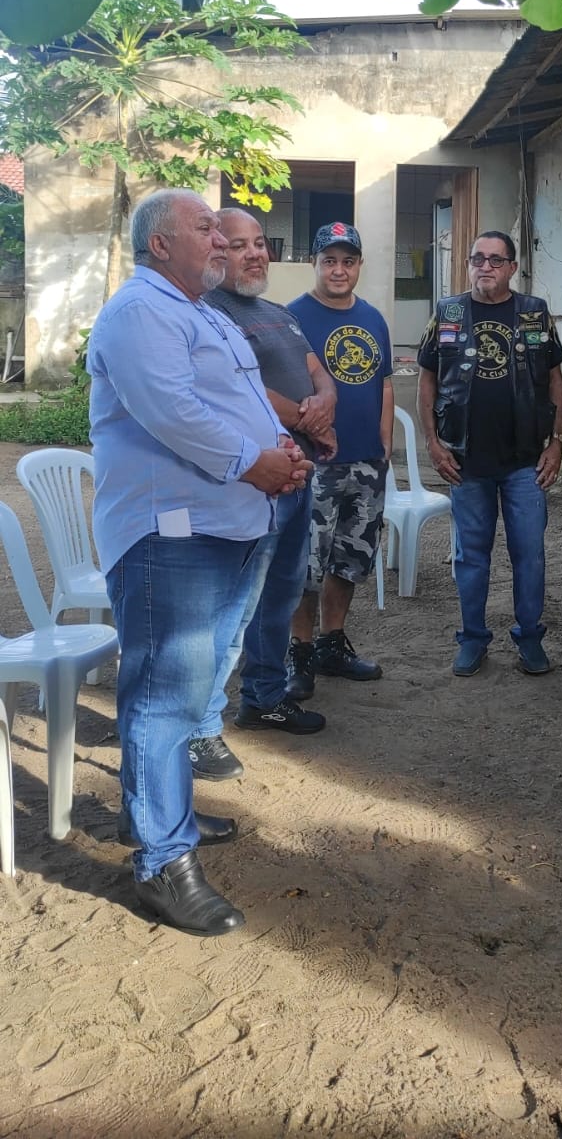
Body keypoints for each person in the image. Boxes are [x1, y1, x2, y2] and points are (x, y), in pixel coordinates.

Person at [88, 190, 311, 936]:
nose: (222, 239)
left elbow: (240, 400)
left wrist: (280, 451)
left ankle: (157, 811)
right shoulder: (138, 311)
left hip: (225, 525)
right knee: (163, 695)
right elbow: (173, 411)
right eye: (207, 228)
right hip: (171, 532)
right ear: (160, 244)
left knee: (192, 687)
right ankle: (162, 861)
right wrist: (255, 463)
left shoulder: (201, 312)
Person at [186, 208, 337, 781]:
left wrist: (324, 400)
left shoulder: (279, 313)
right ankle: (202, 725)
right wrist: (307, 417)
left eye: (260, 243)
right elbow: (236, 387)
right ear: (215, 252)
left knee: (282, 591)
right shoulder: (210, 314)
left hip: (298, 473)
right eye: (238, 244)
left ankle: (264, 696)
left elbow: (317, 370)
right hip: (257, 480)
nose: (254, 254)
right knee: (235, 604)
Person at [417, 231, 562, 678]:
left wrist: (557, 442)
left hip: (525, 460)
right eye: (478, 258)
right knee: (471, 557)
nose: (486, 266)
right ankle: (473, 638)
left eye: (496, 260)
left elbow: (555, 379)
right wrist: (433, 443)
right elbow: (427, 379)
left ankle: (530, 637)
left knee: (529, 554)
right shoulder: (448, 312)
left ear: (512, 268)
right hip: (466, 460)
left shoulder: (534, 312)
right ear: (468, 264)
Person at [286, 223, 393, 688]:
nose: (338, 270)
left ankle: (332, 643)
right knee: (306, 563)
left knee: (351, 558)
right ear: (314, 263)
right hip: (314, 463)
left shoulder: (373, 318)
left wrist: (385, 446)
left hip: (365, 462)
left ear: (359, 266)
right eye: (329, 261)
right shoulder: (292, 318)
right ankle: (299, 652)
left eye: (348, 261)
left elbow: (384, 385)